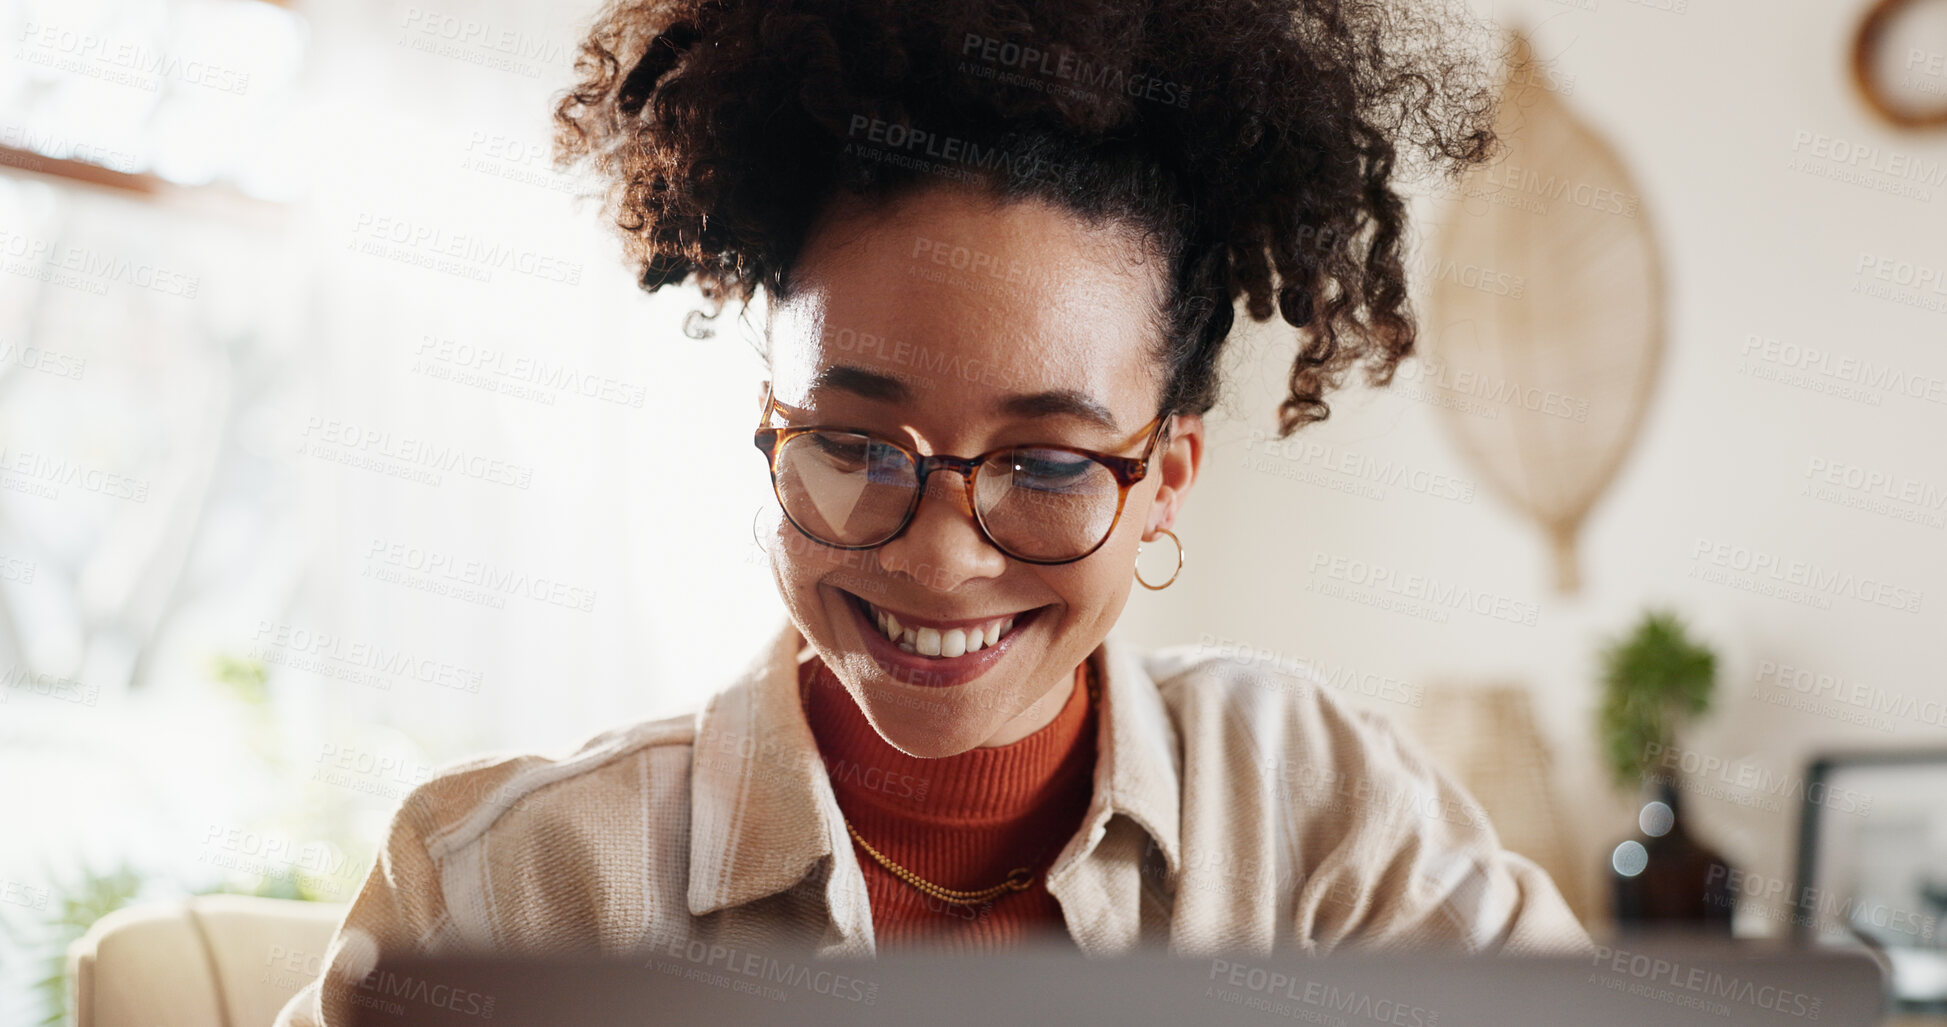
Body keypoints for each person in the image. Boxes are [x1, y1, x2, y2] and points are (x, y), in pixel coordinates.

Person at [277, 0, 1587, 1022]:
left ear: (1165, 478)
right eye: (855, 443)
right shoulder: (513, 889)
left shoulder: (1315, 808)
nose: (941, 557)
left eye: (1052, 462)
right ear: (767, 424)